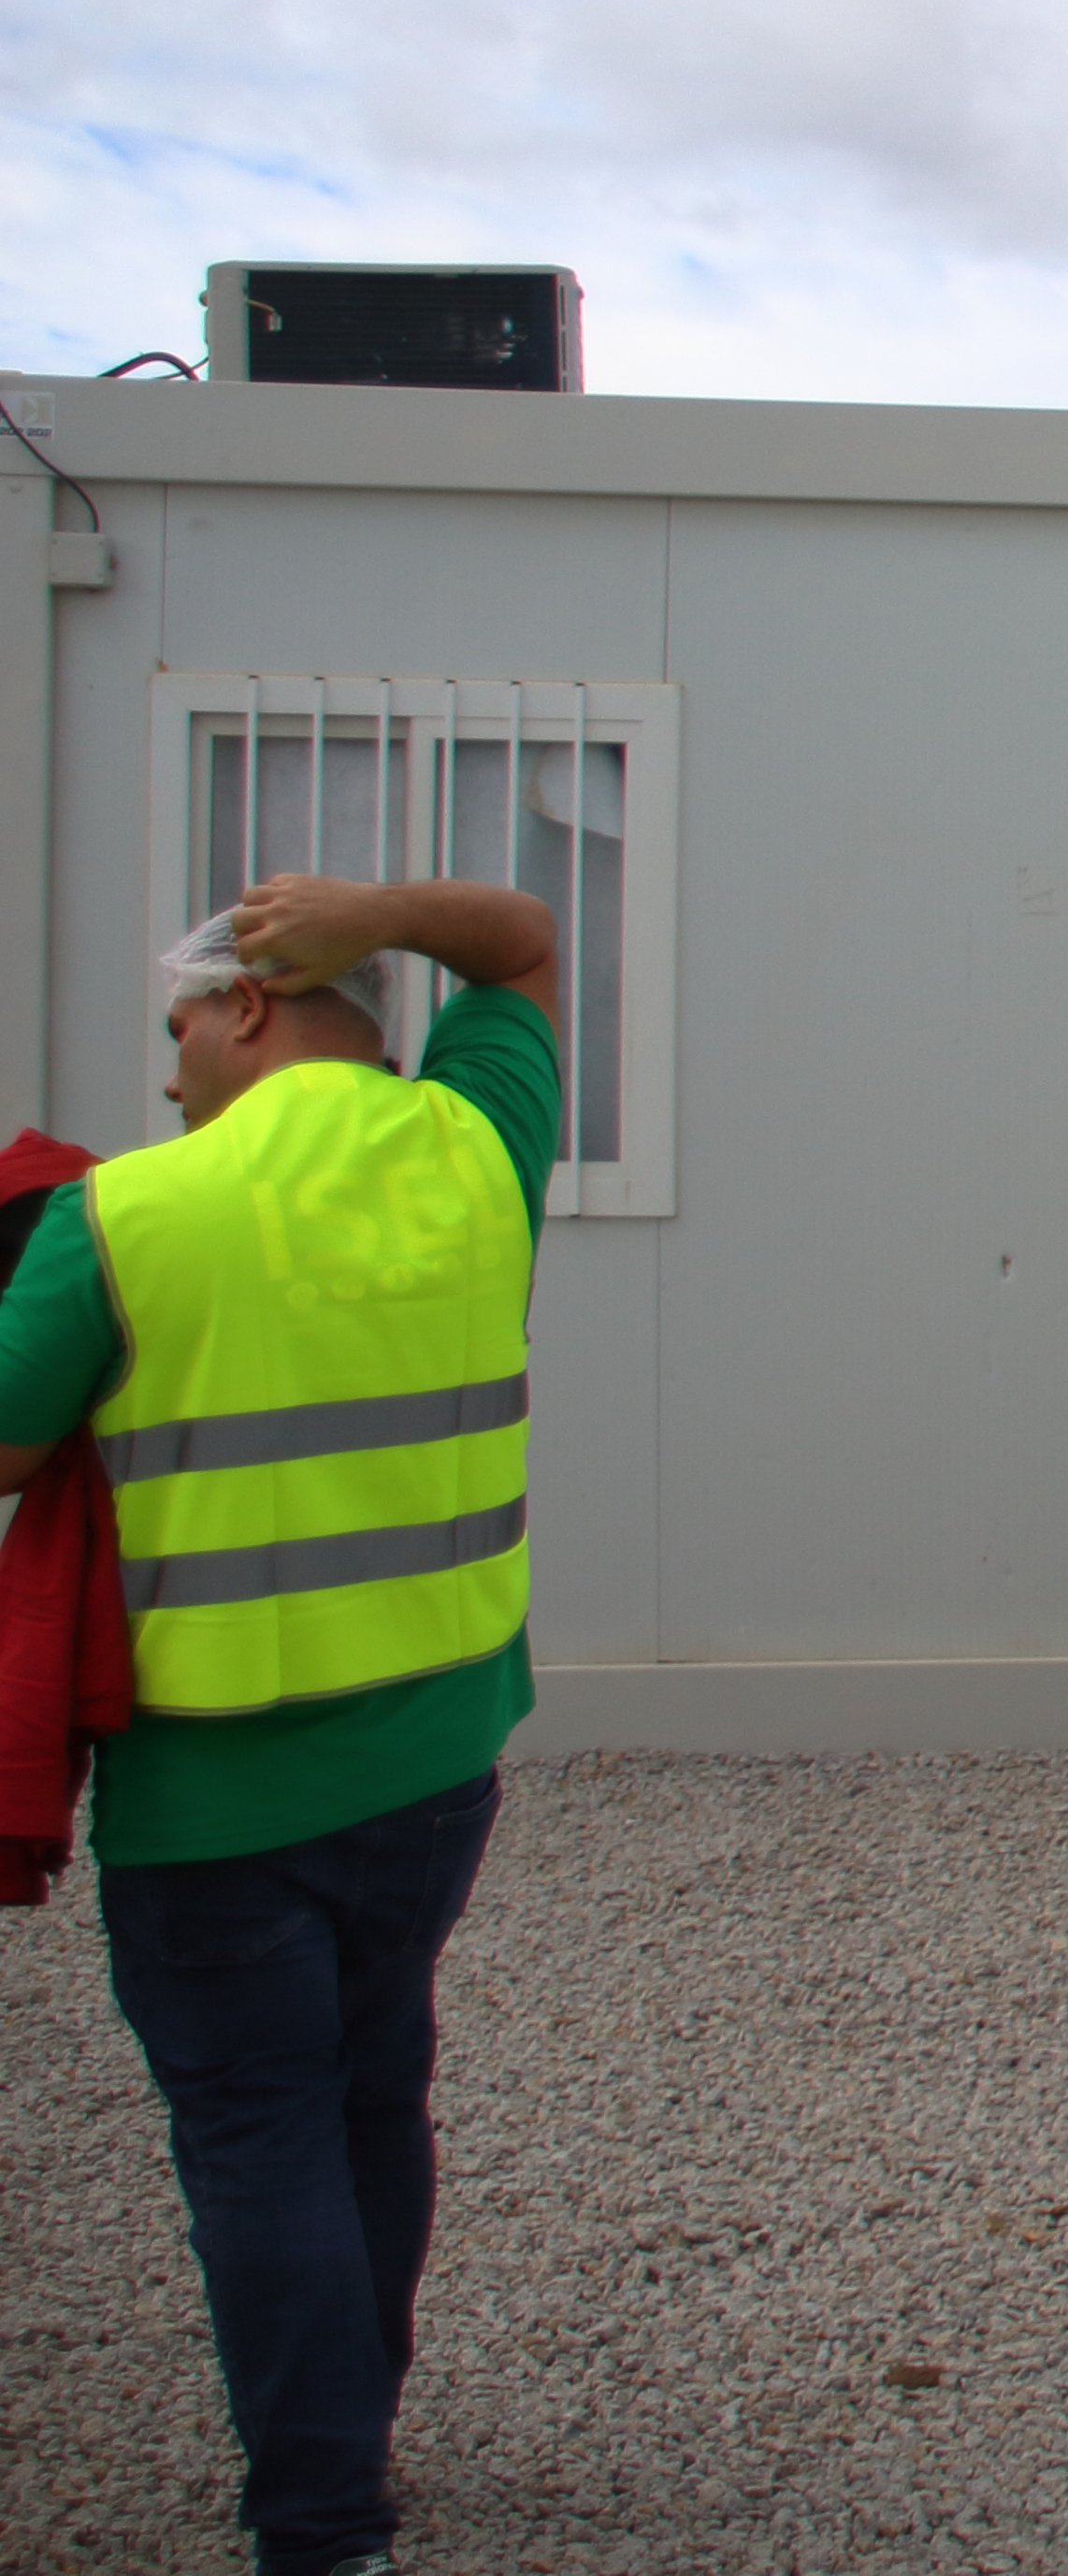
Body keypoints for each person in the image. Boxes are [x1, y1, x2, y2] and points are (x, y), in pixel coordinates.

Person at [0, 870, 561, 2576]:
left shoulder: (126, 1222)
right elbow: (522, 943)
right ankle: (354, 2434)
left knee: (258, 2132)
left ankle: (322, 2523)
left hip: (216, 1798)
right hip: (437, 1758)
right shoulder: (475, 1157)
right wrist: (379, 910)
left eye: (176, 1027)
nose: (164, 1072)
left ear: (247, 1007)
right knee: (372, 2093)